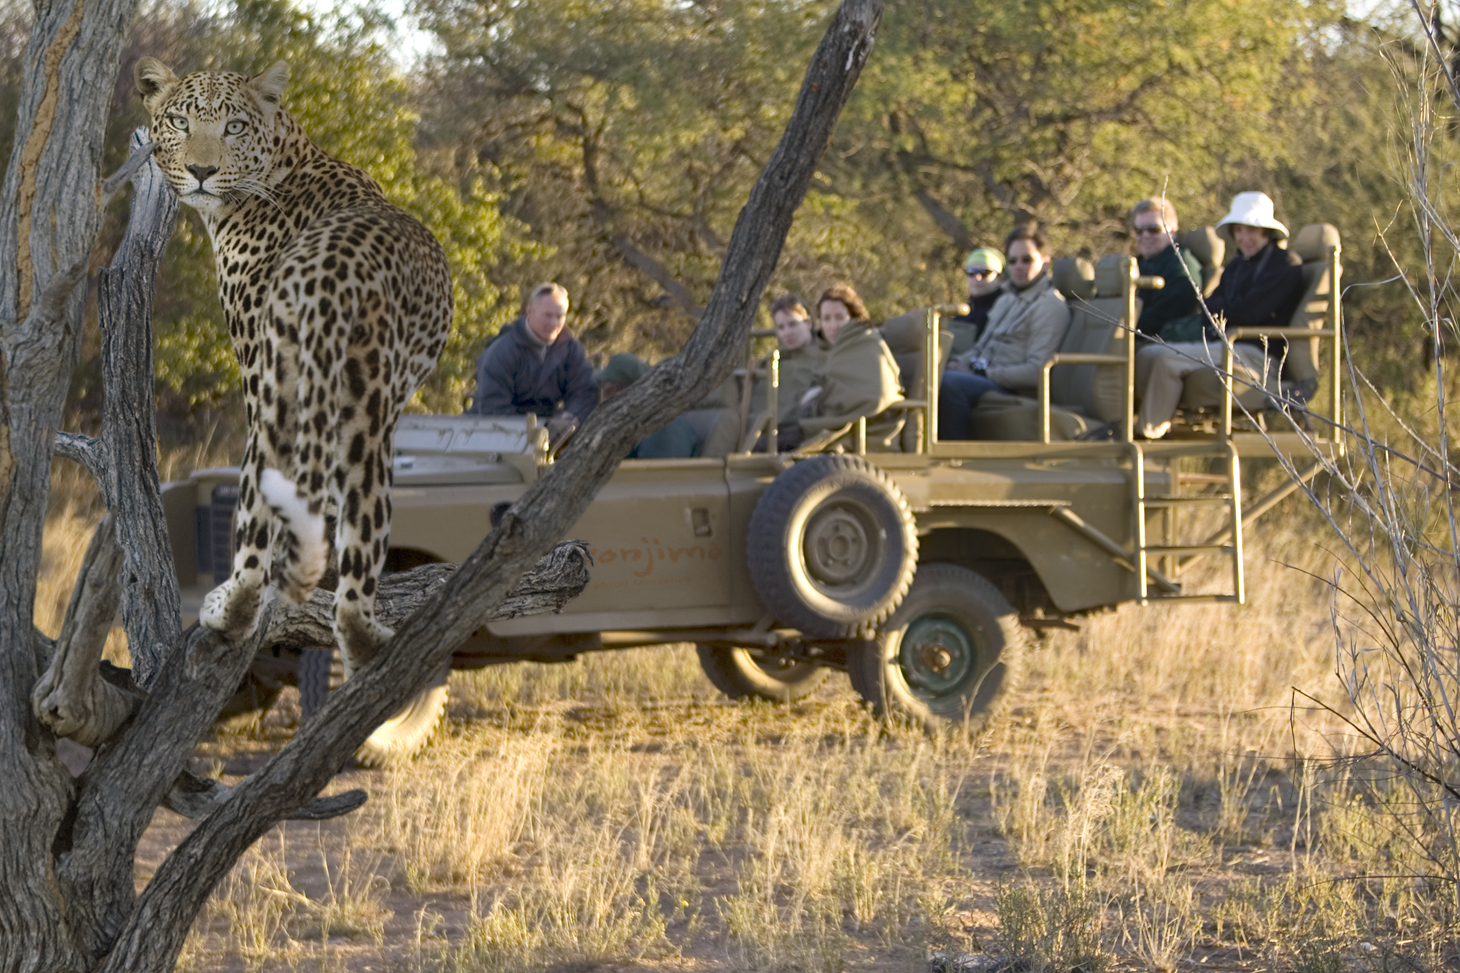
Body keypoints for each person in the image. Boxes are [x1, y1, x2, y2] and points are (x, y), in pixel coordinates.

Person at [1132, 191, 1305, 440]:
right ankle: (1133, 421)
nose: (1244, 238)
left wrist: (1224, 310)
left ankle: (1147, 434)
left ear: (1266, 231)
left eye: (1252, 230)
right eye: (1239, 230)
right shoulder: (1238, 265)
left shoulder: (1285, 264)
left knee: (1167, 360)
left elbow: (1251, 312)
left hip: (1257, 354)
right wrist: (1226, 310)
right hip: (1226, 344)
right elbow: (1209, 307)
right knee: (1147, 353)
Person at [937, 224, 1071, 440]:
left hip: (1011, 388)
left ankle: (949, 454)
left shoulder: (1050, 305)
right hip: (985, 377)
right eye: (1013, 261)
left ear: (1045, 262)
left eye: (1027, 260)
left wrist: (980, 373)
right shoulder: (1006, 300)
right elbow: (980, 348)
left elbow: (1036, 371)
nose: (1018, 266)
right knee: (929, 373)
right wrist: (954, 362)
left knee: (950, 384)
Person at [469, 282, 598, 446]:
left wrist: (570, 418)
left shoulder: (571, 349)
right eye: (548, 315)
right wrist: (533, 435)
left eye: (560, 316)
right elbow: (493, 408)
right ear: (530, 311)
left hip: (551, 435)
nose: (554, 323)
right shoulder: (501, 352)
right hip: (496, 436)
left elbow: (585, 392)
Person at [797, 283, 903, 450]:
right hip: (829, 424)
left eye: (839, 317)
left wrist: (821, 399)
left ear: (854, 317)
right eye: (826, 319)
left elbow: (876, 394)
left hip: (866, 430)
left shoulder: (867, 343)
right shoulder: (826, 349)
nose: (833, 326)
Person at [595, 353, 700, 459]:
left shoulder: (663, 426)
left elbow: (658, 468)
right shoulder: (638, 422)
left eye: (607, 391)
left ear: (618, 390)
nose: (606, 400)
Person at [1130, 197, 1203, 339]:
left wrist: (1120, 323)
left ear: (1172, 229)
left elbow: (1163, 317)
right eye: (1139, 230)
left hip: (1160, 340)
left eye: (1154, 229)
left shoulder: (1181, 267)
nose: (1145, 235)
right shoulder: (1136, 265)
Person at [766, 294, 826, 450]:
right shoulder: (773, 360)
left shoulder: (826, 356)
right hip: (768, 430)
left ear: (808, 323)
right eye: (781, 327)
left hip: (804, 433)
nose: (787, 333)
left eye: (793, 324)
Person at [947, 247, 1005, 355]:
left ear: (1000, 278)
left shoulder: (1005, 310)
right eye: (971, 272)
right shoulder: (962, 314)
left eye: (985, 273)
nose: (977, 278)